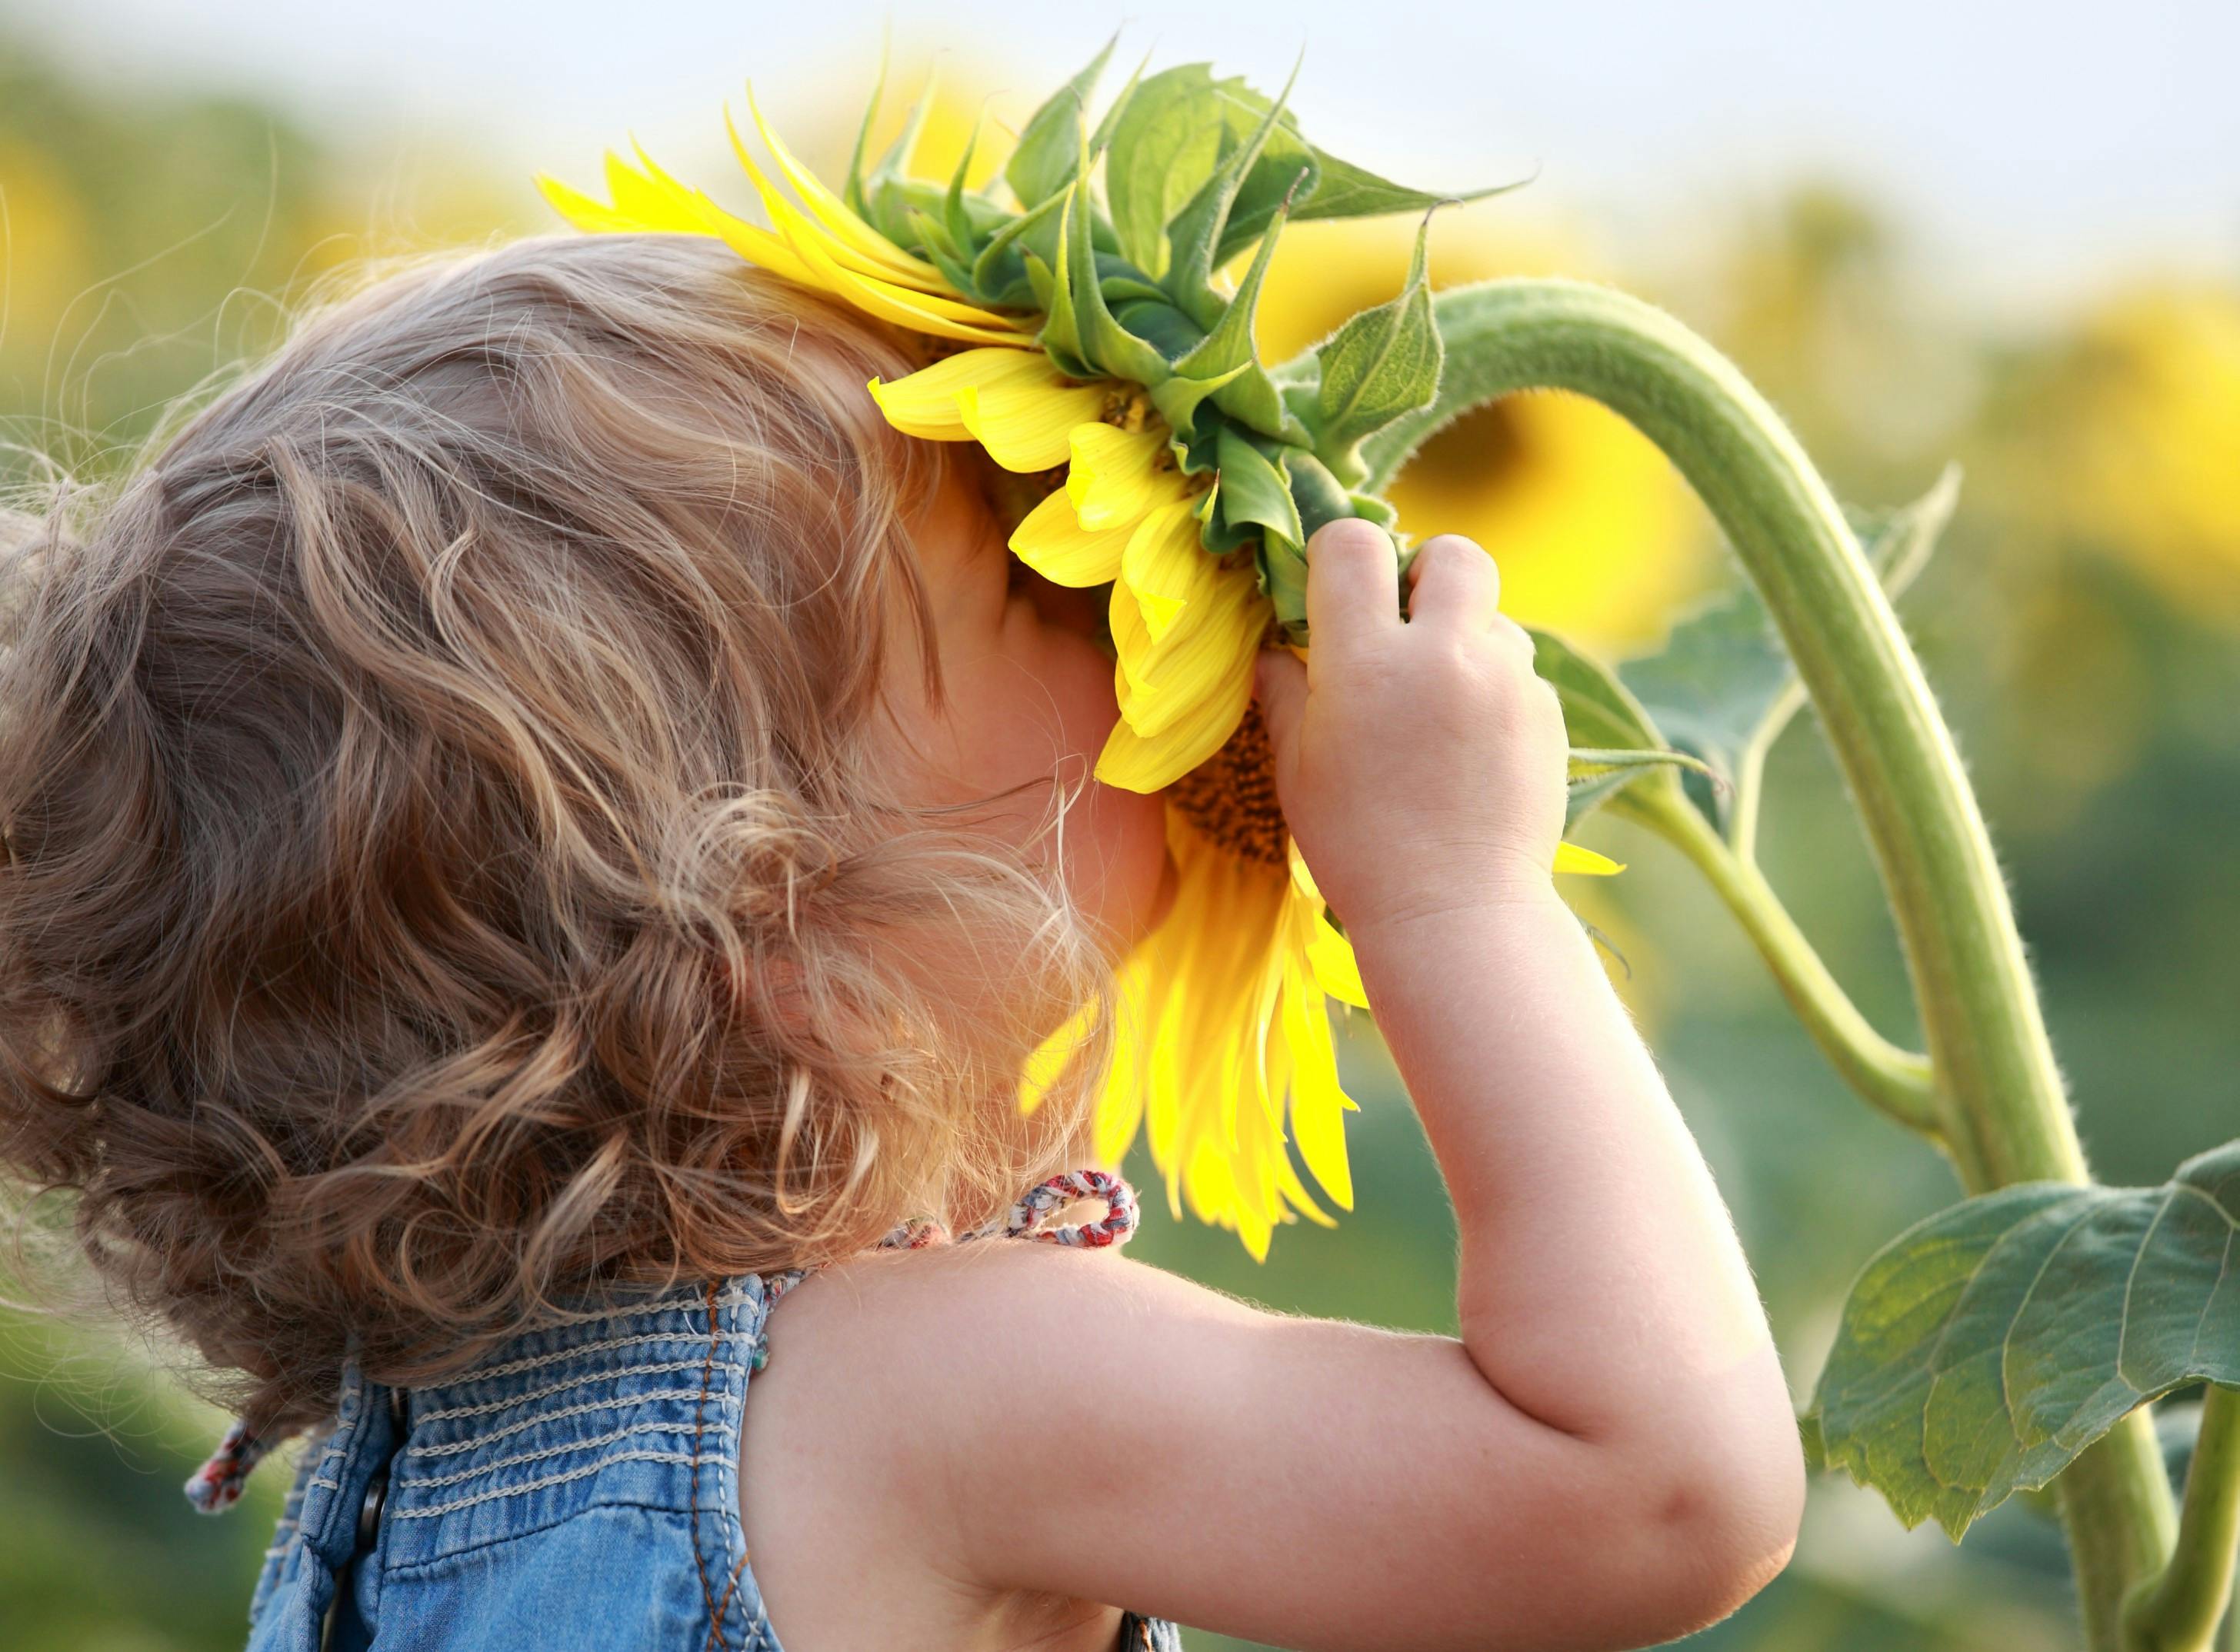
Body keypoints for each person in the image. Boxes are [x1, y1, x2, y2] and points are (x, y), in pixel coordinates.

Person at [0, 231, 1805, 1652]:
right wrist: (1453, 892)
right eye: (1035, 580)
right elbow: (1652, 1489)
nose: (1125, 624)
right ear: (790, 944)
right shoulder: (928, 1395)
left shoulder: (416, 1461)